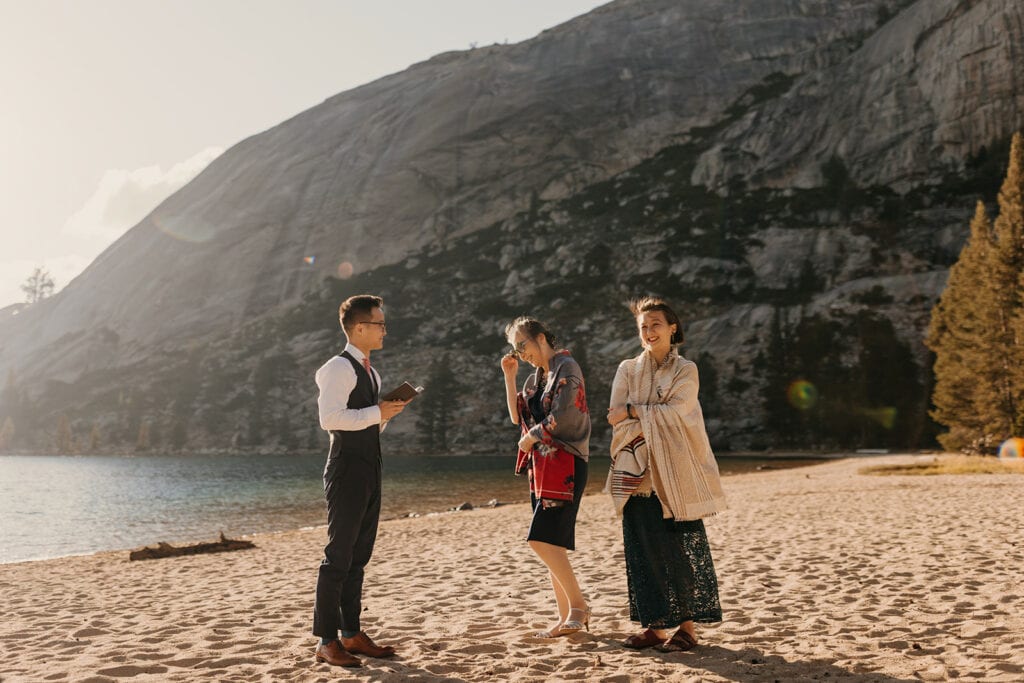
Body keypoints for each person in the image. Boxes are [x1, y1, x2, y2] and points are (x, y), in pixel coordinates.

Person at [606, 297, 727, 652]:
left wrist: (635, 411)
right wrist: (638, 414)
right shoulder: (627, 369)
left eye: (655, 324)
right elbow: (615, 418)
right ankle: (657, 627)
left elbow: (679, 412)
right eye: (643, 326)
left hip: (676, 476)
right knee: (643, 554)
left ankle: (688, 628)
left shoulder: (685, 369)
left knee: (680, 552)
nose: (648, 332)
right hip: (637, 475)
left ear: (672, 327)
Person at [311, 294, 410, 668]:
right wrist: (376, 411)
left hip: (370, 466)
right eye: (380, 324)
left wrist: (386, 414)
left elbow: (369, 422)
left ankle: (351, 633)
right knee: (337, 557)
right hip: (346, 469)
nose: (385, 330)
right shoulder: (337, 368)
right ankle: (326, 640)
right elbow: (329, 419)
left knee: (359, 556)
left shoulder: (371, 371)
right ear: (359, 328)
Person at [500, 316, 592, 638]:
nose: (520, 353)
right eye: (515, 348)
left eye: (522, 345)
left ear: (540, 338)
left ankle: (579, 607)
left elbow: (566, 415)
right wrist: (510, 377)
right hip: (540, 469)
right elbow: (517, 417)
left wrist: (534, 435)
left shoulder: (568, 367)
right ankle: (565, 614)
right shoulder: (535, 379)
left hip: (565, 464)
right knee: (552, 544)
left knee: (540, 539)